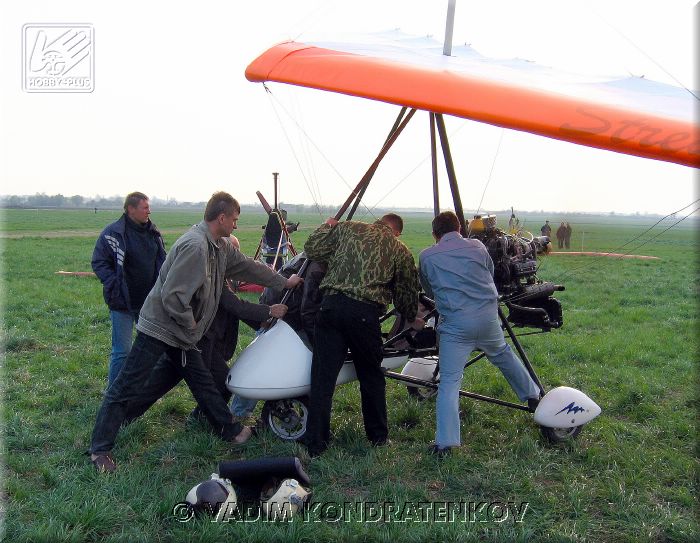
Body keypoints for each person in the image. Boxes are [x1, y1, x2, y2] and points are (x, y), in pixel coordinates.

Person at [89, 192, 303, 473]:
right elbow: (173, 298)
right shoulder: (196, 248)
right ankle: (100, 449)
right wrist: (192, 329)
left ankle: (231, 431)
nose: (236, 226)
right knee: (127, 383)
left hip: (183, 333)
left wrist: (284, 282)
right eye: (235, 220)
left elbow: (248, 267)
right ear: (222, 217)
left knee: (207, 380)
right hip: (162, 328)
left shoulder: (220, 246)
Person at [121, 235, 289, 427]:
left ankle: (127, 415)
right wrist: (268, 311)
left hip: (194, 341)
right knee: (222, 382)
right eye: (231, 254)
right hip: (198, 341)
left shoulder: (222, 277)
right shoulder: (211, 278)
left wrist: (261, 324)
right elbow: (235, 305)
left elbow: (235, 310)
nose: (235, 258)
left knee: (160, 382)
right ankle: (203, 420)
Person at [419, 211, 542, 456]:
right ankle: (533, 396)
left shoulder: (427, 256)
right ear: (460, 229)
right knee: (503, 354)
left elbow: (428, 289)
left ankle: (446, 443)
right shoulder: (477, 246)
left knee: (450, 382)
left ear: (435, 234)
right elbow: (489, 272)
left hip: (455, 326)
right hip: (488, 319)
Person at [300, 213, 422, 457]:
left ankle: (316, 442)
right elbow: (406, 290)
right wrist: (411, 316)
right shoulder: (398, 248)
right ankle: (377, 438)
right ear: (397, 231)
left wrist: (327, 226)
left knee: (323, 379)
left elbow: (312, 248)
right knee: (371, 377)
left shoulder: (347, 228)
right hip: (363, 314)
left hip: (330, 307)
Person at [91, 192, 166, 387]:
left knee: (148, 351)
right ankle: (113, 394)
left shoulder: (154, 233)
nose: (149, 211)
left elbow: (163, 261)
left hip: (148, 303)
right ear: (130, 209)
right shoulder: (112, 234)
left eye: (148, 207)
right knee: (122, 351)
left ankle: (141, 391)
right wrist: (112, 282)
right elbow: (99, 262)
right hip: (122, 302)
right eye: (144, 207)